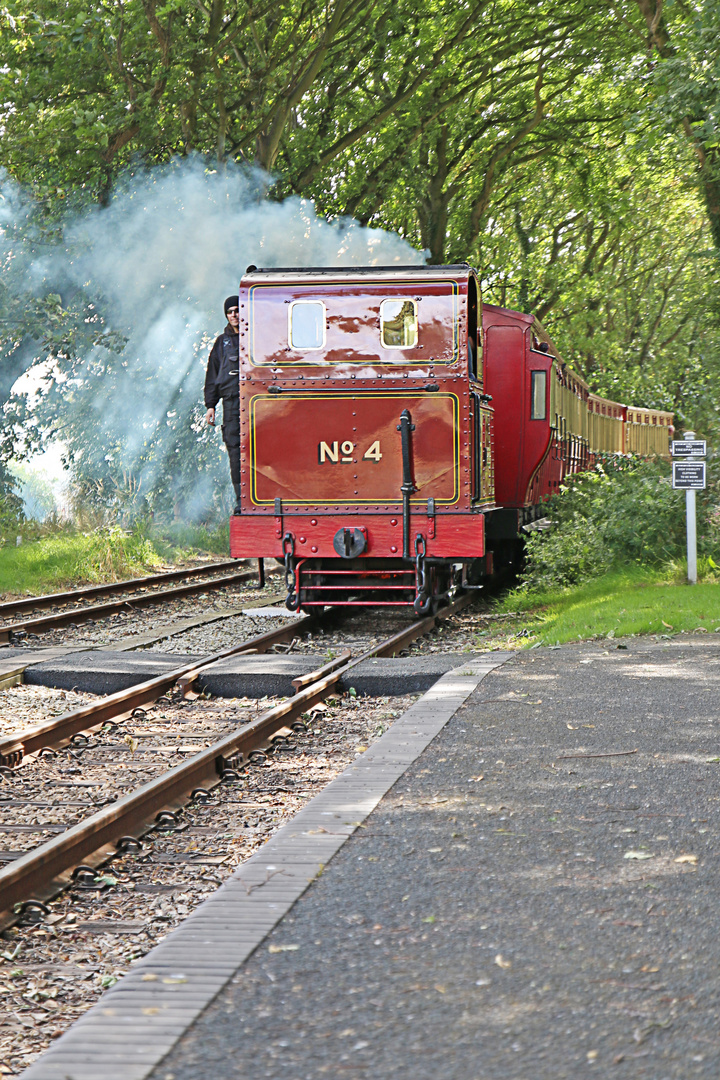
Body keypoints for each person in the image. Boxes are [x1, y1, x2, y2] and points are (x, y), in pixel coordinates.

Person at [205, 295, 241, 514]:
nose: (235, 315)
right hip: (231, 404)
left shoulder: (256, 337)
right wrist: (211, 405)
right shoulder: (221, 343)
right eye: (230, 312)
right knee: (235, 450)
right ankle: (241, 500)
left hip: (258, 401)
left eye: (237, 310)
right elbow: (212, 374)